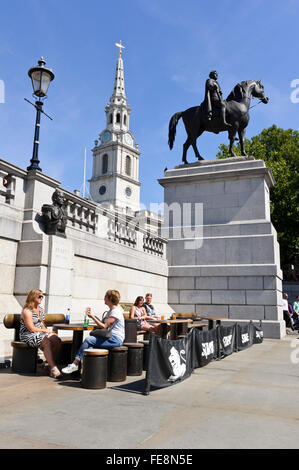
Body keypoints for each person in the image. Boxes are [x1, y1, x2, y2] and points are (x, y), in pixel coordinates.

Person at [62, 290, 124, 374]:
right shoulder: (110, 311)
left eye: (105, 296)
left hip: (115, 339)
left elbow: (104, 326)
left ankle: (75, 364)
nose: (104, 298)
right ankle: (88, 373)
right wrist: (92, 315)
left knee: (88, 340)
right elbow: (102, 323)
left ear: (110, 298)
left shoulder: (115, 311)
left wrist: (92, 317)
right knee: (89, 347)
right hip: (109, 337)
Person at [20, 289, 62, 378]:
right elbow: (31, 329)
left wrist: (47, 332)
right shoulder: (27, 311)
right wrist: (45, 331)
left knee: (56, 340)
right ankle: (53, 368)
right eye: (39, 296)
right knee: (46, 341)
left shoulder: (40, 309)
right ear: (33, 297)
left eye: (42, 296)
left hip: (41, 333)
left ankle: (47, 364)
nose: (41, 298)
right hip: (28, 334)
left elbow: (41, 324)